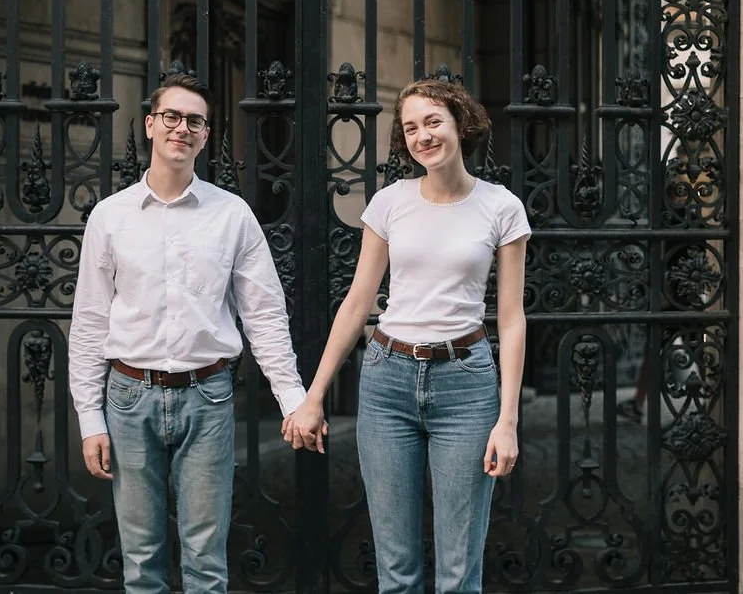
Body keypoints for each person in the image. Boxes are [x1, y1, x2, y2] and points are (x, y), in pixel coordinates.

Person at [284, 79, 530, 593]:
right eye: (412, 127)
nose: (423, 136)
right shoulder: (389, 203)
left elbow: (510, 318)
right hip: (388, 380)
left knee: (460, 573)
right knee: (396, 571)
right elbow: (357, 303)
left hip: (466, 385)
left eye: (434, 121)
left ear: (461, 124)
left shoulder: (501, 207)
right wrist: (314, 396)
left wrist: (507, 420)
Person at [68, 73, 306, 593]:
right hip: (128, 399)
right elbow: (90, 320)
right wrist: (90, 418)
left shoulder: (232, 214)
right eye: (171, 117)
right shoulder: (110, 218)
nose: (182, 128)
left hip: (207, 395)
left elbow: (263, 312)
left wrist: (292, 398)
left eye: (194, 120)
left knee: (205, 558)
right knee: (141, 561)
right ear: (151, 125)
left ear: (204, 134)